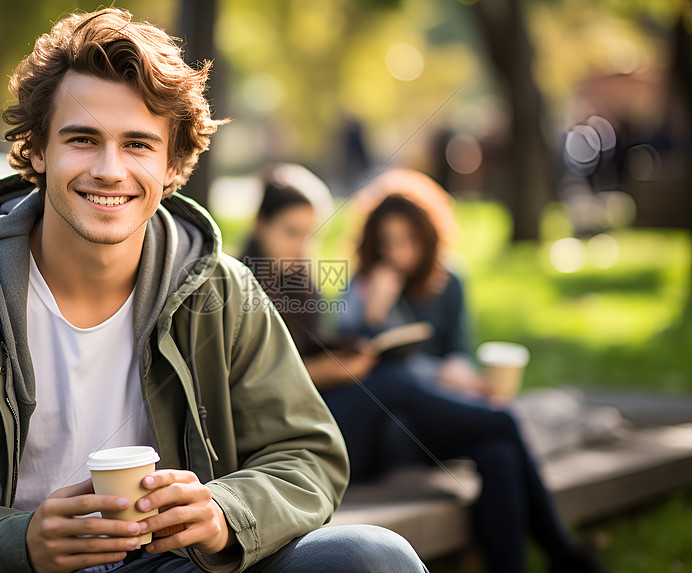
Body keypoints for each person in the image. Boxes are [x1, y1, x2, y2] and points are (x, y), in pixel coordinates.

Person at [0, 10, 428, 573]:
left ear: (173, 165)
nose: (110, 170)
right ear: (37, 151)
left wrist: (226, 512)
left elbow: (307, 457)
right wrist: (19, 543)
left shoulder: (225, 292)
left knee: (375, 556)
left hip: (179, 565)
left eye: (138, 144)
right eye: (83, 139)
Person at [242, 168, 606, 573]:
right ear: (261, 226)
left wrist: (346, 354)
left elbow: (314, 348)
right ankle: (563, 549)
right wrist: (341, 364)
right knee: (399, 383)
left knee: (498, 452)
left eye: (312, 234)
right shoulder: (241, 284)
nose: (303, 246)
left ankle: (555, 557)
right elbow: (267, 384)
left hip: (364, 423)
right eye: (292, 232)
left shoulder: (299, 278)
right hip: (299, 437)